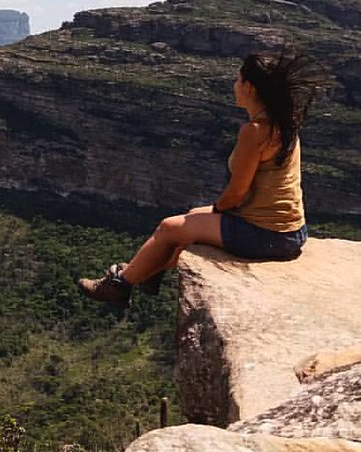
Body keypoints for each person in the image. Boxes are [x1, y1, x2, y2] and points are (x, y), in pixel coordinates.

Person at [77, 50, 325, 308]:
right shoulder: (284, 124)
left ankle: (120, 285)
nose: (234, 86)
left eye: (238, 80)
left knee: (169, 227)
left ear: (249, 88)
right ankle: (146, 273)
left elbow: (237, 192)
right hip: (291, 232)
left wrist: (218, 209)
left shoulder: (254, 132)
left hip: (266, 236)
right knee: (193, 216)